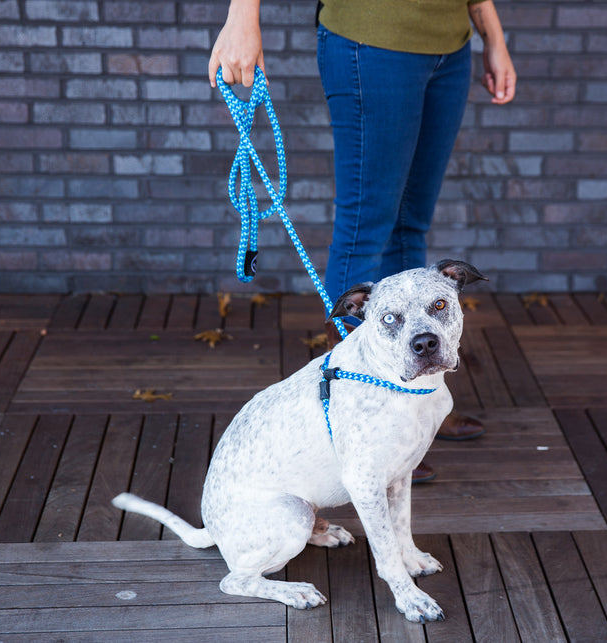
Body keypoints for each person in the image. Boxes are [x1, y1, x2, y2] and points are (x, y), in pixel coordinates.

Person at [210, 0, 516, 482]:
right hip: (373, 41)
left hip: (451, 44)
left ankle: (419, 399)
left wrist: (492, 36)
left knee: (410, 222)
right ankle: (370, 420)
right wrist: (242, 16)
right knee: (365, 226)